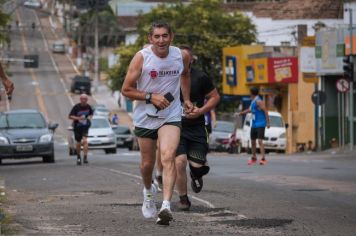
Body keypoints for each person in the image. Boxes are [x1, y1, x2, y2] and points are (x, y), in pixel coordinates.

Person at [121, 21, 193, 226]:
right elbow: (126, 89)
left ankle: (166, 206)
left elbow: (185, 75)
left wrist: (186, 99)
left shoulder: (182, 56)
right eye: (157, 36)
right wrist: (150, 96)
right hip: (146, 116)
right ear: (150, 39)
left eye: (165, 36)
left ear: (171, 37)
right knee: (146, 165)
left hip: (170, 114)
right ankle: (148, 191)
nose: (161, 40)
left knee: (168, 156)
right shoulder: (142, 58)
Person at [175, 45, 220, 211]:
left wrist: (200, 111)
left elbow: (215, 97)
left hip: (197, 128)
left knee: (197, 166)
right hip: (176, 127)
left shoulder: (201, 77)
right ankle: (183, 199)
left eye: (185, 59)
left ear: (191, 60)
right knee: (179, 163)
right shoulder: (169, 77)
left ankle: (196, 173)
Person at [238, 87, 270, 165]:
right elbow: (249, 110)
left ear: (251, 93)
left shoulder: (259, 101)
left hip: (261, 124)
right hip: (254, 124)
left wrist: (268, 122)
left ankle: (263, 158)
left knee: (259, 141)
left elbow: (265, 111)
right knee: (252, 141)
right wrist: (242, 113)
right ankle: (254, 157)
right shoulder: (253, 101)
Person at [69, 94, 93, 165]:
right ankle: (78, 157)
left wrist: (89, 117)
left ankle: (85, 157)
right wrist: (78, 118)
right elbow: (70, 116)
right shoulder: (76, 107)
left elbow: (91, 114)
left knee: (85, 141)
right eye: (82, 99)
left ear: (87, 100)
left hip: (85, 126)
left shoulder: (88, 107)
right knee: (78, 143)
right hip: (77, 127)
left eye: (85, 99)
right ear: (80, 99)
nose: (83, 100)